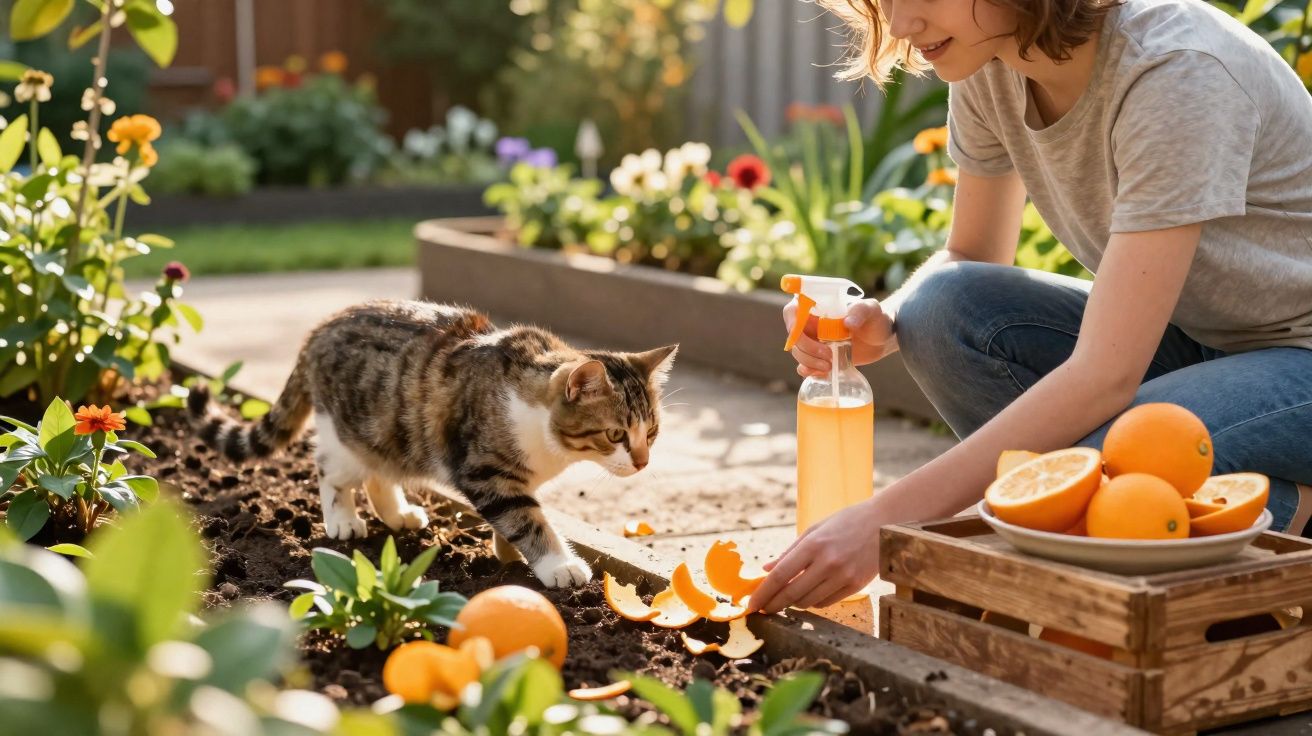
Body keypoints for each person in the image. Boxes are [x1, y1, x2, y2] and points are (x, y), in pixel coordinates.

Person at [747, 0, 1312, 614]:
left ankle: (1290, 525)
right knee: (940, 310)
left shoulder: (1176, 68)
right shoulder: (990, 58)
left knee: (1127, 451)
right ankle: (1120, 524)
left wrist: (886, 521)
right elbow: (969, 255)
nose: (903, 24)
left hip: (1301, 354)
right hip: (1203, 340)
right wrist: (882, 322)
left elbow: (1104, 375)